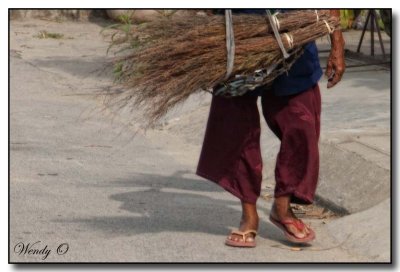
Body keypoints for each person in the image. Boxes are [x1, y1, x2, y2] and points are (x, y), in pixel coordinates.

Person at [196, 9, 345, 247]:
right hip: (241, 36)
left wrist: (337, 44)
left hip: (295, 35)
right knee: (236, 126)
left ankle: (282, 208)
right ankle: (248, 213)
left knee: (301, 124)